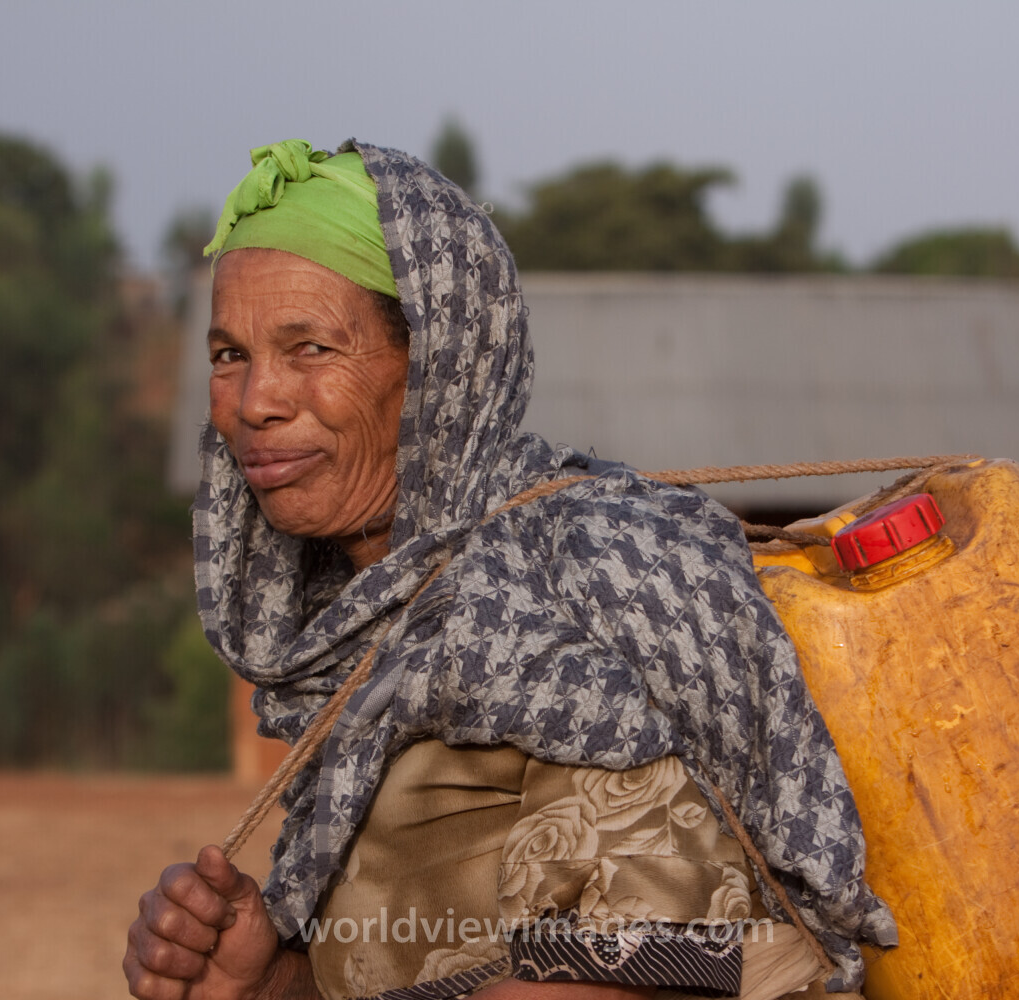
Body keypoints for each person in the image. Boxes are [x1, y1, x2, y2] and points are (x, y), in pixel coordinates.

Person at [123, 139, 895, 1000]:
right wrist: (277, 981)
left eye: (309, 348)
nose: (256, 400)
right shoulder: (382, 631)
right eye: (230, 354)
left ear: (440, 367)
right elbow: (444, 958)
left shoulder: (564, 604)